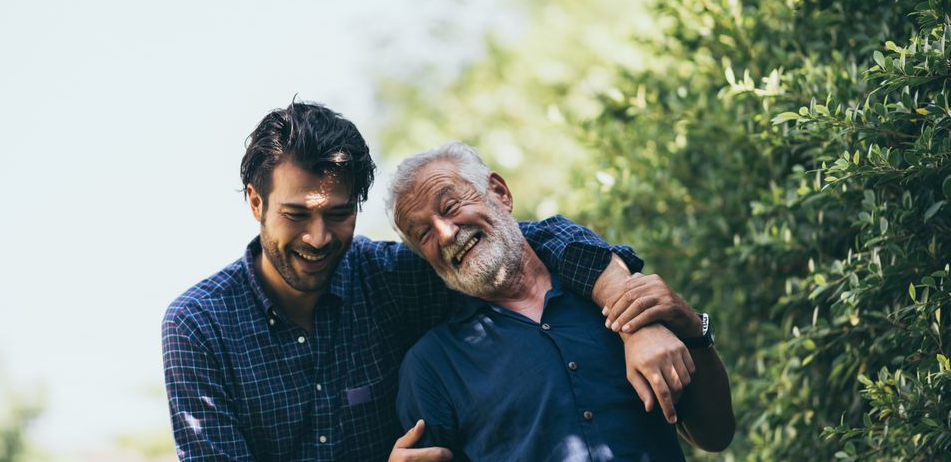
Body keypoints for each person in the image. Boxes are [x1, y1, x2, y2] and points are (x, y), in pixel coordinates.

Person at [162, 102, 687, 461]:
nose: (319, 238)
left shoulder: (391, 278)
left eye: (339, 214)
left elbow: (522, 242)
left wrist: (628, 307)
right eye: (297, 214)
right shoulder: (198, 327)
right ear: (256, 203)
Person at [390, 141, 736, 461]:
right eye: (423, 234)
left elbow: (715, 435)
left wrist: (691, 327)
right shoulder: (432, 365)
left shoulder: (616, 295)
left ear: (499, 193)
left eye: (450, 206)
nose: (446, 233)